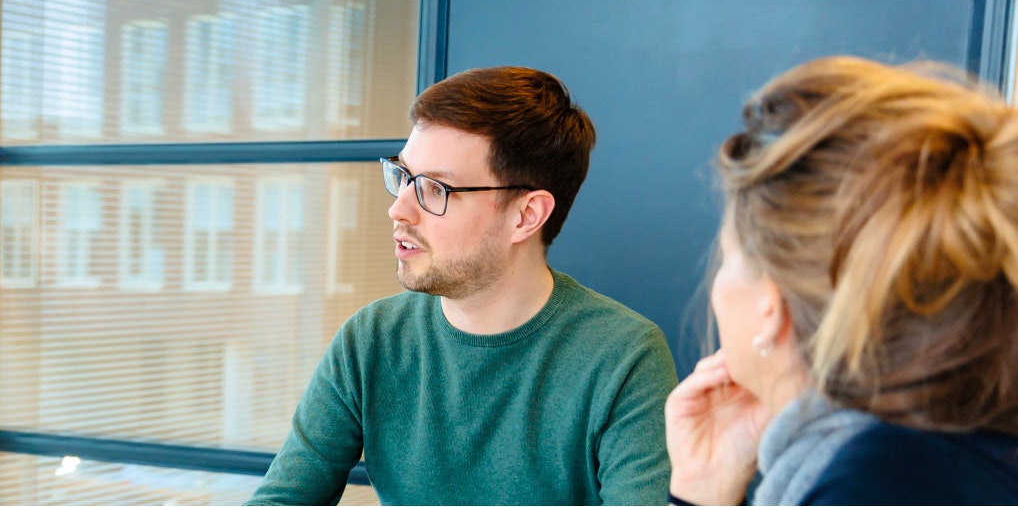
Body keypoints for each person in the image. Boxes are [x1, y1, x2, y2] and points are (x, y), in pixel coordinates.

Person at [250, 67, 678, 505]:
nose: (399, 209)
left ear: (526, 216)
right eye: (403, 176)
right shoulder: (372, 339)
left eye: (435, 189)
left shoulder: (624, 357)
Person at [666, 57, 1018, 505]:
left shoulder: (867, 483)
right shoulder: (960, 449)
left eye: (729, 257)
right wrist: (705, 486)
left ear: (769, 306)